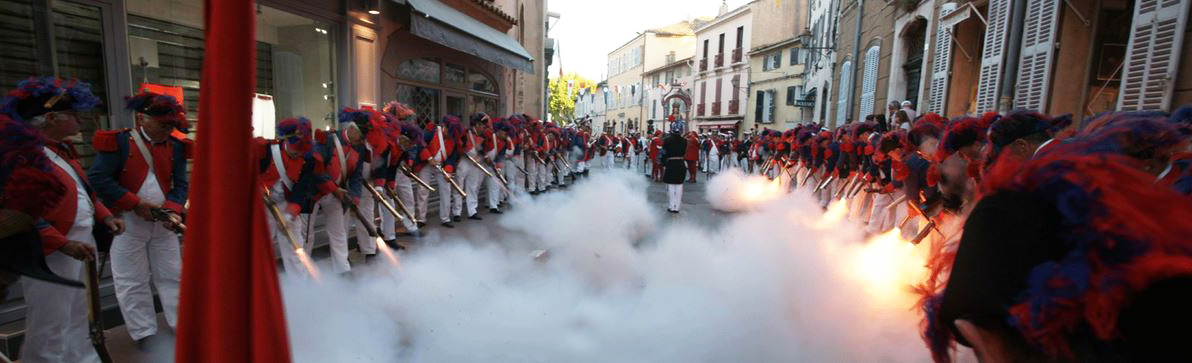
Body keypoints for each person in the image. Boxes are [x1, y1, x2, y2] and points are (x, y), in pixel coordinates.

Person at [3, 78, 125, 363]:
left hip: (79, 243)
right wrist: (62, 243)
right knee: (50, 324)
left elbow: (86, 190)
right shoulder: (23, 155)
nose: (80, 122)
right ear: (50, 117)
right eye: (74, 115)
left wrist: (105, 215)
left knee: (79, 316)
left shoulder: (61, 150)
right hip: (51, 250)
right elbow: (20, 214)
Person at [87, 91, 191, 348]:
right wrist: (134, 204)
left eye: (171, 125)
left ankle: (182, 325)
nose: (167, 130)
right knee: (131, 278)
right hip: (128, 220)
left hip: (164, 220)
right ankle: (143, 332)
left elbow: (181, 184)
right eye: (162, 124)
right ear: (143, 119)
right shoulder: (120, 142)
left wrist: (174, 209)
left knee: (172, 274)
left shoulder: (176, 145)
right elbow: (98, 179)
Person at [257, 117, 335, 274]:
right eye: (295, 148)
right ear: (286, 140)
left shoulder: (309, 160)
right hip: (261, 205)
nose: (297, 152)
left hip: (287, 203)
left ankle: (300, 288)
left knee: (295, 249)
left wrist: (289, 215)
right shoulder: (265, 150)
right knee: (260, 249)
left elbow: (301, 190)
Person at [661, 121, 688, 213]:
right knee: (679, 185)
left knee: (671, 186)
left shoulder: (667, 140)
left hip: (671, 164)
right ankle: (677, 207)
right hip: (680, 163)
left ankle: (671, 206)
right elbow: (685, 153)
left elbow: (663, 153)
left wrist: (663, 163)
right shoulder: (684, 141)